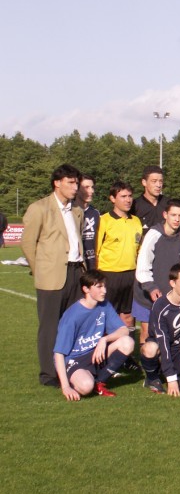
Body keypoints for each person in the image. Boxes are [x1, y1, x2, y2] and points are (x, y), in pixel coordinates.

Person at [22, 164, 85, 386]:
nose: (75, 187)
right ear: (56, 183)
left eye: (76, 182)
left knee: (73, 323)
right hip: (51, 275)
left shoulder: (77, 210)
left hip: (76, 273)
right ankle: (49, 374)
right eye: (70, 182)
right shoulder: (39, 208)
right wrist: (40, 270)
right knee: (50, 326)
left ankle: (70, 367)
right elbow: (28, 244)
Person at [53, 270, 135, 400]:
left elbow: (124, 330)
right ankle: (84, 379)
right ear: (86, 289)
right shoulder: (72, 316)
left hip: (95, 354)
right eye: (99, 287)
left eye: (104, 286)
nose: (104, 291)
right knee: (86, 387)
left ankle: (99, 382)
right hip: (75, 360)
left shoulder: (105, 305)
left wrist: (104, 339)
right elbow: (58, 353)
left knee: (128, 342)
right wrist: (65, 387)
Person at [139, 264, 180, 396]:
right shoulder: (160, 306)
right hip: (162, 348)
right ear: (172, 283)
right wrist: (171, 380)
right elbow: (163, 342)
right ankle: (152, 378)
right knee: (150, 348)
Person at [134, 198, 180, 348]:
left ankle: (165, 366)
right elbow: (142, 266)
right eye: (173, 215)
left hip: (169, 294)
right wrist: (151, 287)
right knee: (147, 332)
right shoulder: (153, 234)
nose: (177, 219)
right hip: (147, 292)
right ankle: (148, 368)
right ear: (165, 214)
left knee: (168, 331)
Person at [95, 180, 142, 329]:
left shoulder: (136, 221)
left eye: (130, 196)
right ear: (113, 198)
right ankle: (104, 350)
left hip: (130, 275)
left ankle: (125, 352)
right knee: (107, 315)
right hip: (109, 275)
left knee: (128, 317)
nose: (128, 200)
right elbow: (96, 251)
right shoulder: (103, 221)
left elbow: (139, 249)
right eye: (123, 196)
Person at [75, 173, 100, 271]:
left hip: (92, 266)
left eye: (92, 187)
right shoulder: (68, 211)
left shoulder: (95, 213)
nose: (91, 191)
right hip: (75, 266)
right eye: (86, 187)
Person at [132, 165, 167, 236]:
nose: (158, 185)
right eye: (154, 181)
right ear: (144, 182)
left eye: (161, 181)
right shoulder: (134, 206)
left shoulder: (168, 204)